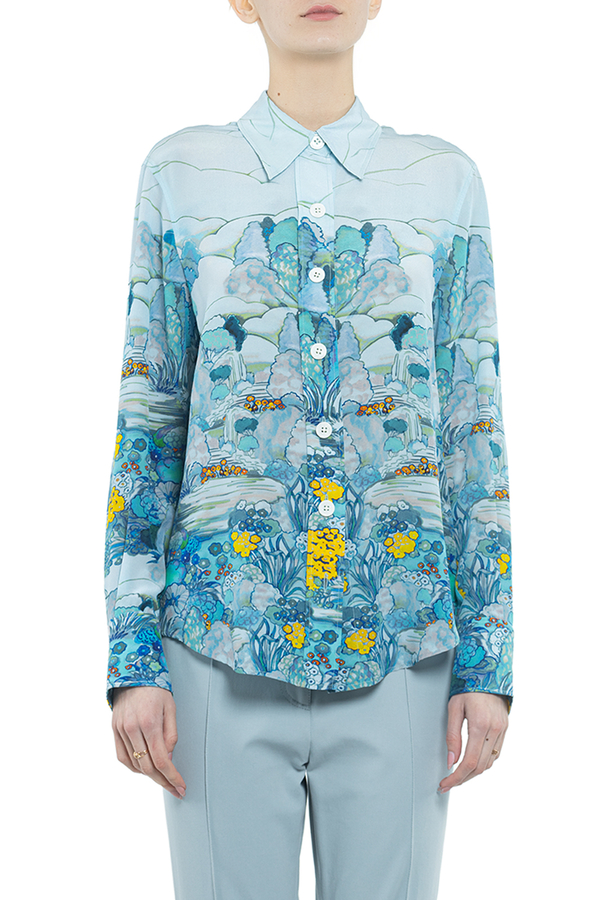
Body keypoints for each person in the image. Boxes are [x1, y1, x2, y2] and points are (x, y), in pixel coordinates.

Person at [105, 2, 513, 898]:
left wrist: (489, 660)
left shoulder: (445, 183)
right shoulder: (180, 174)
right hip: (216, 646)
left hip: (403, 648)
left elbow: (471, 429)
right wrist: (132, 656)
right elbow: (150, 420)